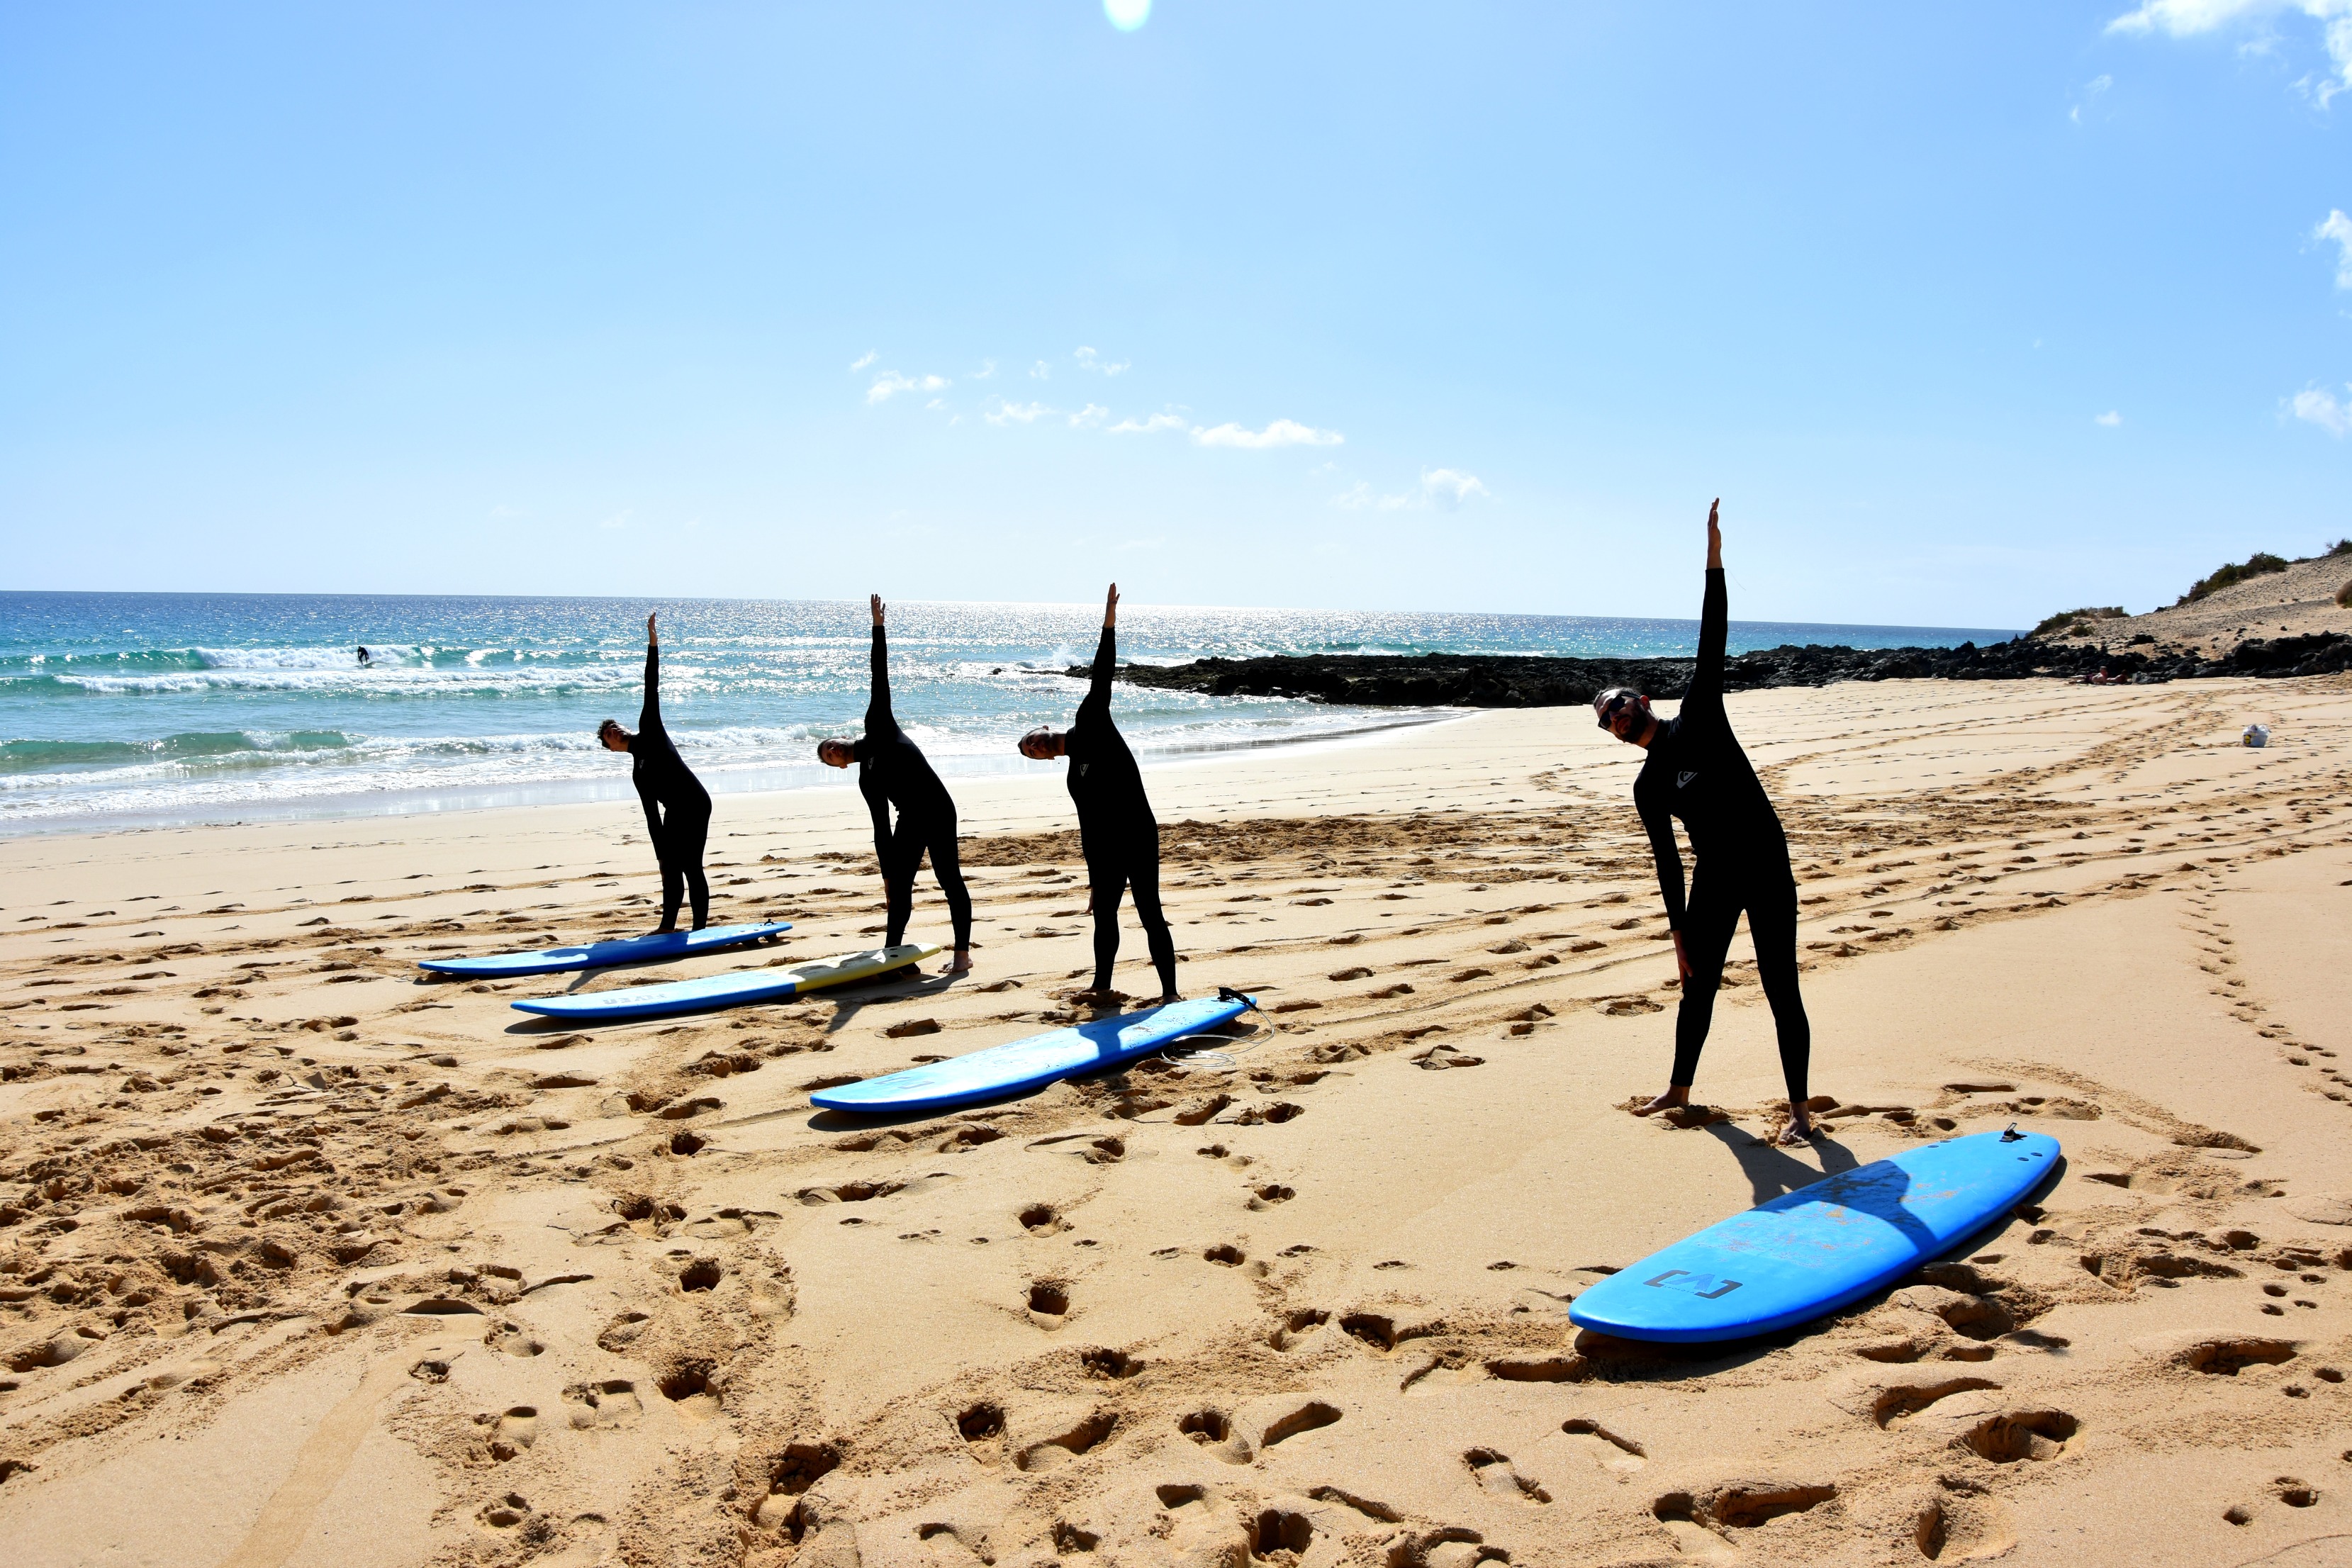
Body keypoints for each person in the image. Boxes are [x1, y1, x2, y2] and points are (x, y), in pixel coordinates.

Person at [1594, 500, 1815, 1146]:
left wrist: (1714, 559)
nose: (1617, 716)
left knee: (1782, 990)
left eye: (1621, 703)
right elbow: (1667, 859)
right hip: (1714, 881)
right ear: (1612, 734)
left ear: (1644, 701)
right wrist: (1679, 931)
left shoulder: (1701, 714)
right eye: (1607, 717)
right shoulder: (1647, 784)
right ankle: (1680, 1089)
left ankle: (1801, 1113)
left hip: (1767, 870)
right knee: (1698, 990)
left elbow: (1711, 633)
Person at [1018, 583, 1179, 1005]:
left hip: (1139, 835)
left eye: (1030, 741)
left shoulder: (1090, 722)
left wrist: (1109, 622)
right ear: (1044, 761)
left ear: (1044, 728)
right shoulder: (1074, 777)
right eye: (1029, 754)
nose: (1033, 748)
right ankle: (1102, 986)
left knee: (1150, 914)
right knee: (1104, 916)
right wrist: (1092, 879)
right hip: (1105, 848)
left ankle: (1170, 994)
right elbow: (1087, 827)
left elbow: (1102, 674)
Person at [817, 595, 973, 974]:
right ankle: (892, 955)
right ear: (836, 766)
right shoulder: (866, 778)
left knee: (949, 878)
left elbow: (879, 677)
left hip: (937, 808)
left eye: (830, 744)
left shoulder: (879, 726)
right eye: (828, 755)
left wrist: (878, 628)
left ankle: (962, 955)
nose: (833, 749)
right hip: (911, 818)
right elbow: (880, 827)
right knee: (901, 886)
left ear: (840, 737)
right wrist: (887, 875)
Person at [598, 612, 712, 933]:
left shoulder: (650, 731)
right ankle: (667, 926)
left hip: (696, 802)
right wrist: (660, 850)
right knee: (669, 867)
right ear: (611, 748)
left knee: (691, 865)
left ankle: (699, 929)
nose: (615, 731)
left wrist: (653, 642)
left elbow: (652, 685)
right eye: (609, 734)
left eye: (615, 727)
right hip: (675, 811)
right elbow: (651, 814)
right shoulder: (638, 772)